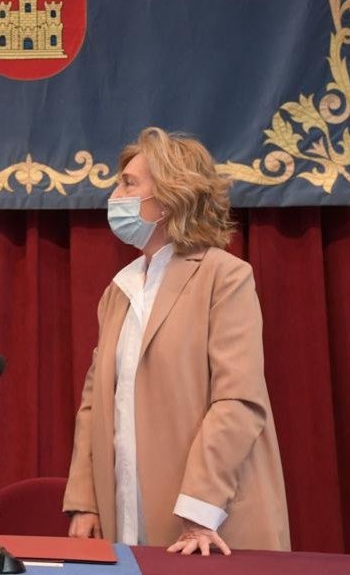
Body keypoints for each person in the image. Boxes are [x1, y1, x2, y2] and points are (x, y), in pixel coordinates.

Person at [64, 127, 290, 554]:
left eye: (129, 183)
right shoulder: (119, 290)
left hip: (211, 524)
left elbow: (238, 401)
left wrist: (199, 508)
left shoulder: (224, 276)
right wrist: (85, 500)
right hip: (127, 515)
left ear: (168, 198)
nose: (115, 194)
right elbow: (93, 404)